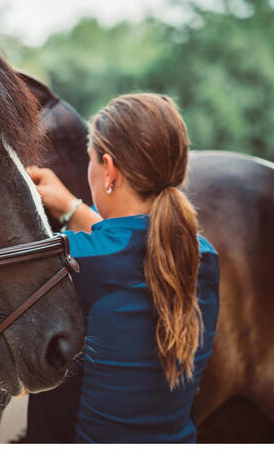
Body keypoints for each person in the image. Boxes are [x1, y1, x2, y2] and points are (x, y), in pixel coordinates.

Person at [25, 93, 219, 443]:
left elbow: (108, 258)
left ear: (109, 169)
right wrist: (72, 206)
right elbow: (128, 252)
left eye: (91, 161)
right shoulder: (203, 258)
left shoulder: (71, 259)